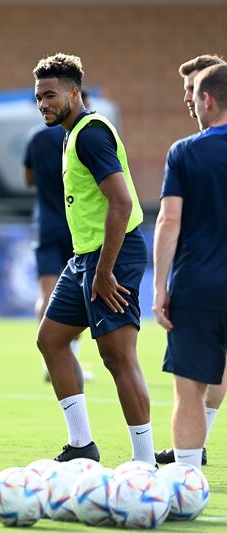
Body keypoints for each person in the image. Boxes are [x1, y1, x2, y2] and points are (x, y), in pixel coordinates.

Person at [33, 53, 155, 464]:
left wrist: (104, 271)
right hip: (85, 257)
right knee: (50, 339)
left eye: (50, 95)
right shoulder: (70, 134)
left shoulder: (90, 134)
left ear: (74, 91)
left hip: (113, 256)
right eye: (37, 98)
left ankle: (144, 462)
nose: (43, 104)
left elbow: (121, 204)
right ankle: (82, 444)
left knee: (118, 357)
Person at [152, 63, 227, 470]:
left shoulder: (184, 151)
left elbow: (169, 221)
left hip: (197, 287)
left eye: (193, 97)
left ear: (208, 100)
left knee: (189, 391)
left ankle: (185, 481)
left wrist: (159, 287)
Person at [23, 90, 93, 383]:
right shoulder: (84, 136)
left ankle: (49, 362)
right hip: (75, 226)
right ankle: (70, 358)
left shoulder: (36, 138)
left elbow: (27, 179)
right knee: (76, 296)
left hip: (45, 224)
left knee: (46, 294)